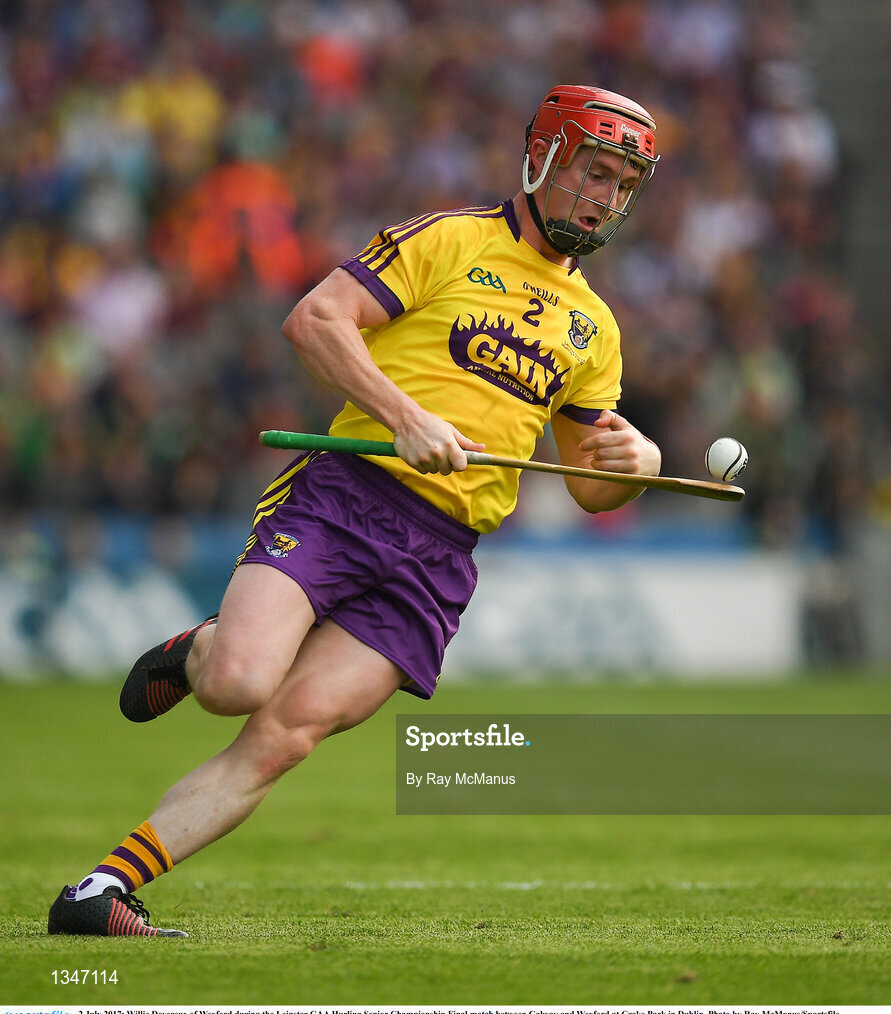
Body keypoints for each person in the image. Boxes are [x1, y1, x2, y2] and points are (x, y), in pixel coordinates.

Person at [48, 84, 663, 937]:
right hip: (346, 501)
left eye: (622, 187)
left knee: (286, 736)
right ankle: (198, 647)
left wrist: (639, 463)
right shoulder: (450, 240)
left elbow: (592, 488)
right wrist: (404, 415)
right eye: (594, 172)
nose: (605, 198)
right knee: (237, 684)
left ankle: (98, 893)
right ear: (546, 155)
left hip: (440, 558)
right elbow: (316, 320)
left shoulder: (593, 327)